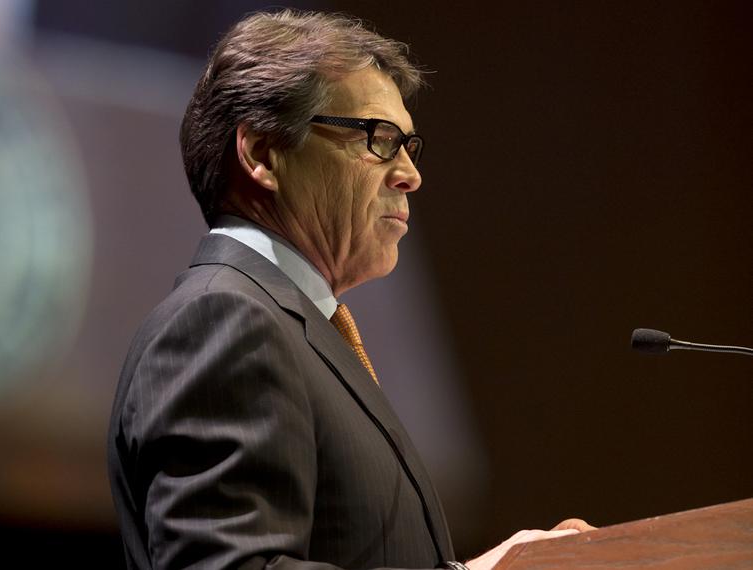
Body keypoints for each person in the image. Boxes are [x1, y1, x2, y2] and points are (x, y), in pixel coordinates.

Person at [107, 9, 593, 570]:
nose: (411, 173)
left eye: (409, 144)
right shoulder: (224, 321)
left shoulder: (283, 326)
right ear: (263, 153)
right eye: (379, 138)